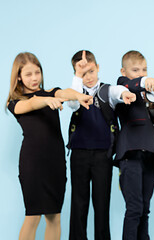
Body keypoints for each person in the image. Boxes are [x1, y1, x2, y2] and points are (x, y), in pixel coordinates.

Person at [6, 52, 93, 240]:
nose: (35, 78)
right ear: (19, 76)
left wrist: (78, 95)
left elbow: (65, 93)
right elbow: (31, 104)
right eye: (28, 74)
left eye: (37, 72)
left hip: (55, 163)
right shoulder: (15, 103)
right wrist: (45, 100)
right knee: (33, 217)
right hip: (33, 165)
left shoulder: (52, 92)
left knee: (54, 217)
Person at [67, 50, 136, 240]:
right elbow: (72, 103)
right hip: (79, 154)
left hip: (102, 156)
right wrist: (77, 77)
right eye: (82, 73)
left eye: (90, 71)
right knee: (79, 203)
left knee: (101, 203)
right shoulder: (76, 92)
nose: (87, 77)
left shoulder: (106, 91)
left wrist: (126, 93)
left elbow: (117, 91)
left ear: (97, 68)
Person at [115, 50, 154, 240]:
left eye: (144, 70)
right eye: (136, 70)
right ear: (124, 71)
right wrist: (142, 82)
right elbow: (128, 85)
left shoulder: (148, 97)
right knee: (134, 209)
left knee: (144, 209)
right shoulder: (122, 88)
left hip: (149, 157)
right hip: (130, 156)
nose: (142, 73)